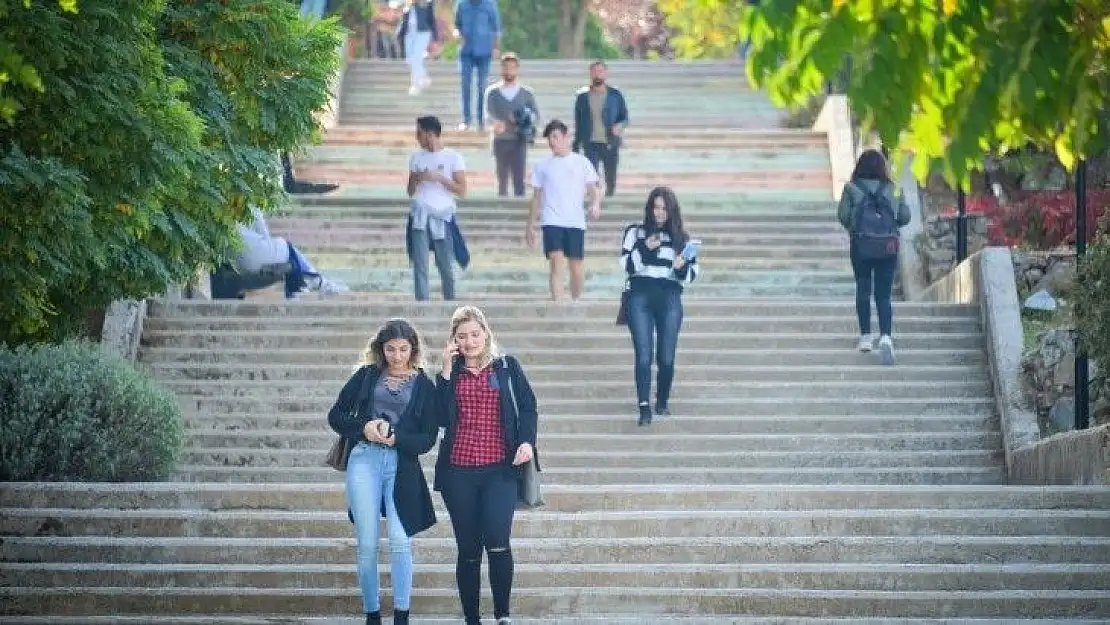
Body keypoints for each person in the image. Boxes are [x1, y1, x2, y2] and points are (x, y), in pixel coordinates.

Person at [327, 319, 440, 625]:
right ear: (381, 349)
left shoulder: (424, 385)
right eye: (390, 349)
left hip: (401, 465)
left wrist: (397, 438)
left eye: (403, 349)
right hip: (363, 460)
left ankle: (402, 616)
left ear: (413, 349)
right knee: (367, 543)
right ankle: (372, 614)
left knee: (401, 541)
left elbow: (428, 439)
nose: (396, 355)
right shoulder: (366, 376)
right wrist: (363, 427)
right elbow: (335, 416)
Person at [434, 305, 538, 625]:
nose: (469, 341)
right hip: (458, 472)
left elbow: (529, 408)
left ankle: (502, 615)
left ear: (486, 333)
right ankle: (471, 618)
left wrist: (526, 442)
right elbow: (438, 418)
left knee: (497, 540)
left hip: (500, 470)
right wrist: (445, 372)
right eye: (461, 336)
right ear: (453, 340)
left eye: (474, 334)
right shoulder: (449, 375)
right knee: (467, 549)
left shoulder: (507, 367)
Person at [619, 187, 699, 426]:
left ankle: (662, 400)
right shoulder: (635, 232)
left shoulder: (682, 239)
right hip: (640, 297)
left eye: (664, 208)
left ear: (672, 210)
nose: (659, 212)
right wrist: (644, 249)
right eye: (656, 207)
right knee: (643, 355)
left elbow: (692, 275)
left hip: (670, 297)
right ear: (649, 208)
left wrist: (681, 265)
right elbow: (625, 265)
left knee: (666, 357)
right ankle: (644, 406)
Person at [836, 149, 911, 365]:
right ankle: (886, 336)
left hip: (861, 245)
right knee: (884, 293)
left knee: (863, 287)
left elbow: (842, 216)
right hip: (887, 246)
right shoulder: (894, 188)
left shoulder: (851, 188)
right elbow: (905, 217)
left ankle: (866, 337)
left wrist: (855, 227)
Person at [526, 119, 602, 302]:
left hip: (575, 221)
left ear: (566, 137)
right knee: (555, 262)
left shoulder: (581, 162)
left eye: (555, 137)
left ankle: (574, 300)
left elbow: (594, 189)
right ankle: (558, 306)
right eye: (550, 139)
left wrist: (595, 204)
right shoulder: (543, 166)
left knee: (576, 268)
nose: (553, 142)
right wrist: (530, 226)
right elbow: (536, 198)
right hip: (551, 221)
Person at [407, 115, 467, 301]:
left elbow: (462, 190)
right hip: (420, 215)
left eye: (420, 133)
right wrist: (416, 178)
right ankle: (422, 303)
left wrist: (440, 178)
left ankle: (450, 302)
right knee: (420, 263)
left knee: (445, 264)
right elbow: (410, 191)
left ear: (431, 134)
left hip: (443, 215)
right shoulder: (416, 157)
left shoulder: (453, 157)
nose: (417, 137)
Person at [236, 205, 348, 299]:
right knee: (287, 248)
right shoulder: (247, 202)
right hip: (249, 258)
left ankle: (314, 282)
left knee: (287, 252)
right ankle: (316, 283)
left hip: (231, 262)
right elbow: (264, 234)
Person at [484, 52, 540, 198]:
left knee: (519, 178)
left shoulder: (526, 93)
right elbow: (487, 114)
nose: (509, 71)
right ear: (502, 69)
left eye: (512, 67)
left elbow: (536, 115)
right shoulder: (493, 92)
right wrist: (495, 123)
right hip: (500, 140)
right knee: (502, 179)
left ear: (517, 69)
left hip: (519, 140)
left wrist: (524, 119)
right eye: (506, 67)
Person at [572, 60, 629, 197]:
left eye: (600, 71)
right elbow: (578, 121)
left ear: (605, 73)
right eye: (595, 71)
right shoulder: (582, 97)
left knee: (611, 176)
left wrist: (620, 125)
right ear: (590, 74)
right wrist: (576, 144)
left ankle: (609, 199)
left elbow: (625, 117)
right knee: (591, 176)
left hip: (610, 141)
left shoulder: (615, 95)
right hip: (590, 142)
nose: (597, 74)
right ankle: (594, 201)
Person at [454, 0, 501, 131]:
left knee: (482, 86)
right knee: (465, 84)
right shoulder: (461, 4)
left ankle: (481, 121)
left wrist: (496, 47)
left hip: (484, 50)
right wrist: (457, 34)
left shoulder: (490, 4)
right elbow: (457, 25)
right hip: (466, 51)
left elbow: (496, 27)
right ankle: (466, 120)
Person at [398, 0, 438, 95]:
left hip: (423, 32)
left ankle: (415, 85)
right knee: (409, 59)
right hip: (409, 33)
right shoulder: (407, 3)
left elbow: (431, 19)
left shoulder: (426, 2)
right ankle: (424, 77)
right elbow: (403, 19)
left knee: (416, 57)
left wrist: (435, 37)